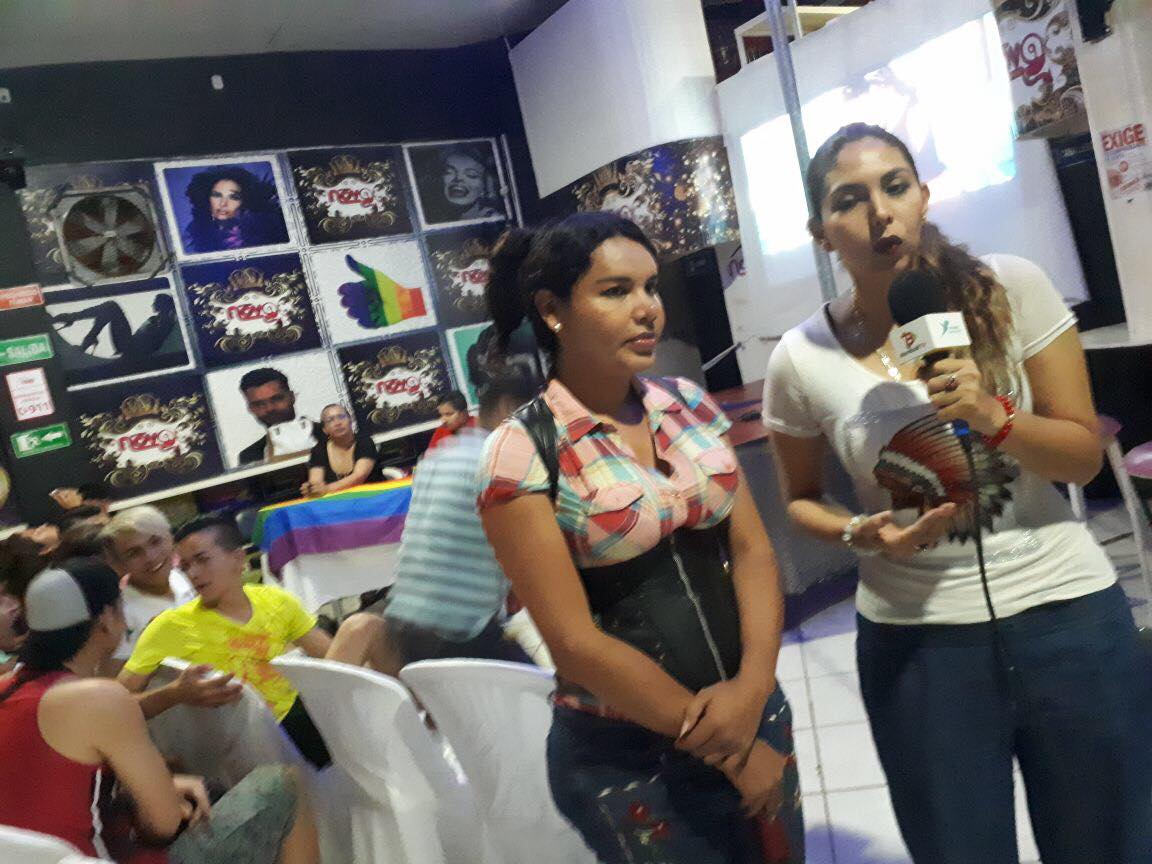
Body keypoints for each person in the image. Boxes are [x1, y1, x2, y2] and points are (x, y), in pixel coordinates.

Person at [763, 122, 1151, 864]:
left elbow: (1080, 458)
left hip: (1067, 618)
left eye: (895, 186)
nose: (880, 212)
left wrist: (992, 415)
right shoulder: (800, 357)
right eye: (849, 200)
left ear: (922, 195)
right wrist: (857, 532)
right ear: (821, 232)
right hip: (917, 644)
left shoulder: (1011, 288)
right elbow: (800, 498)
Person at [477, 213, 803, 863]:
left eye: (651, 287)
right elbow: (574, 644)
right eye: (615, 290)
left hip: (754, 711)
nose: (647, 307)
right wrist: (734, 752)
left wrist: (753, 690)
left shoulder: (687, 404)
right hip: (629, 756)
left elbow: (752, 551)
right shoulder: (521, 450)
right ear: (552, 310)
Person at [0, 558, 318, 863]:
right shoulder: (101, 698)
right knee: (284, 784)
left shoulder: (7, 687)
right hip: (95, 858)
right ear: (107, 618)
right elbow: (164, 824)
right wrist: (161, 790)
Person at [117, 515, 387, 768]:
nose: (193, 574)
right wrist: (175, 693)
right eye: (185, 566)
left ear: (238, 559)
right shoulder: (169, 626)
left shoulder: (275, 600)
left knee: (365, 627)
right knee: (364, 626)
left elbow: (333, 665)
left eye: (202, 560)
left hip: (304, 718)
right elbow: (116, 705)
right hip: (247, 742)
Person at [371, 376, 537, 674]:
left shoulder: (440, 454)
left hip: (403, 622)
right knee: (553, 684)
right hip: (460, 633)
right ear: (509, 409)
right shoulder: (503, 461)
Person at [98, 506, 196, 671]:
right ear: (119, 564)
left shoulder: (183, 578)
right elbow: (114, 679)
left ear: (171, 538)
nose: (150, 557)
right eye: (134, 553)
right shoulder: (121, 616)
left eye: (155, 542)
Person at [182, 166, 289, 254]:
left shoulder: (270, 231)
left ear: (245, 200)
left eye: (234, 197)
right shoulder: (196, 238)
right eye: (217, 195)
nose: (223, 203)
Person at [236, 367, 323, 465]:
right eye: (259, 404)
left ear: (292, 397)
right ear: (251, 409)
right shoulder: (250, 457)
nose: (270, 408)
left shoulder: (330, 435)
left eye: (276, 399)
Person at [51, 294, 177, 356]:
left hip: (131, 348)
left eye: (155, 302)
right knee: (109, 310)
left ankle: (72, 319)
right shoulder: (158, 319)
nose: (152, 304)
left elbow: (153, 344)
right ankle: (89, 337)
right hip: (130, 344)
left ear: (163, 305)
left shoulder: (165, 322)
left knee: (111, 306)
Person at [301, 403, 382, 497]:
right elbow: (316, 482)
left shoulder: (364, 442)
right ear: (324, 429)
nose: (338, 423)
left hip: (373, 498)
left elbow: (359, 477)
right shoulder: (319, 450)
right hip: (337, 502)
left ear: (350, 420)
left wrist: (326, 489)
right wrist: (311, 489)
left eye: (341, 417)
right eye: (330, 420)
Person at [421, 144, 504, 224]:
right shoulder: (430, 218)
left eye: (471, 174)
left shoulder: (495, 220)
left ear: (485, 186)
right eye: (449, 172)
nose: (459, 178)